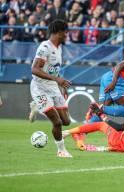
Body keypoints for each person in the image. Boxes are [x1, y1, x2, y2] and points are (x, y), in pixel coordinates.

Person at [29, 19, 72, 158]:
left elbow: (53, 70)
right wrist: (57, 79)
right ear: (59, 33)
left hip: (53, 87)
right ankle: (61, 150)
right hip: (39, 87)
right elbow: (34, 69)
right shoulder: (45, 47)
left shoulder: (58, 48)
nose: (67, 35)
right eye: (66, 32)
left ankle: (37, 106)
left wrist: (60, 82)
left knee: (66, 121)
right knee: (57, 122)